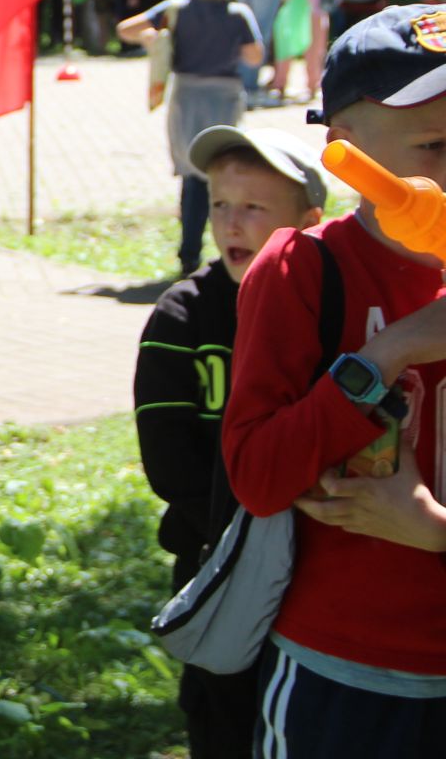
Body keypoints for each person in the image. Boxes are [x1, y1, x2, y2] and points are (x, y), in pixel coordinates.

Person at [222, 6, 446, 754]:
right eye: (438, 144)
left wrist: (434, 534)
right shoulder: (300, 272)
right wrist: (390, 355)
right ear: (347, 155)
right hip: (344, 672)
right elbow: (257, 476)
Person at [135, 125, 326, 759]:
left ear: (310, 221)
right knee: (223, 712)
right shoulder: (183, 314)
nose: (232, 224)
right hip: (215, 556)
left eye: (254, 207)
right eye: (219, 205)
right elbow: (168, 456)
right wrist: (240, 529)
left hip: (319, 557)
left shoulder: (333, 311)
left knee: (306, 714)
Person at [117, 0, 264, 274]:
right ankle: (228, 252)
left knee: (192, 175)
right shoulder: (239, 14)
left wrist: (152, 38)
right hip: (224, 99)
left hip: (186, 99)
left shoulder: (176, 9)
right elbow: (254, 56)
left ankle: (189, 254)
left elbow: (126, 28)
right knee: (219, 172)